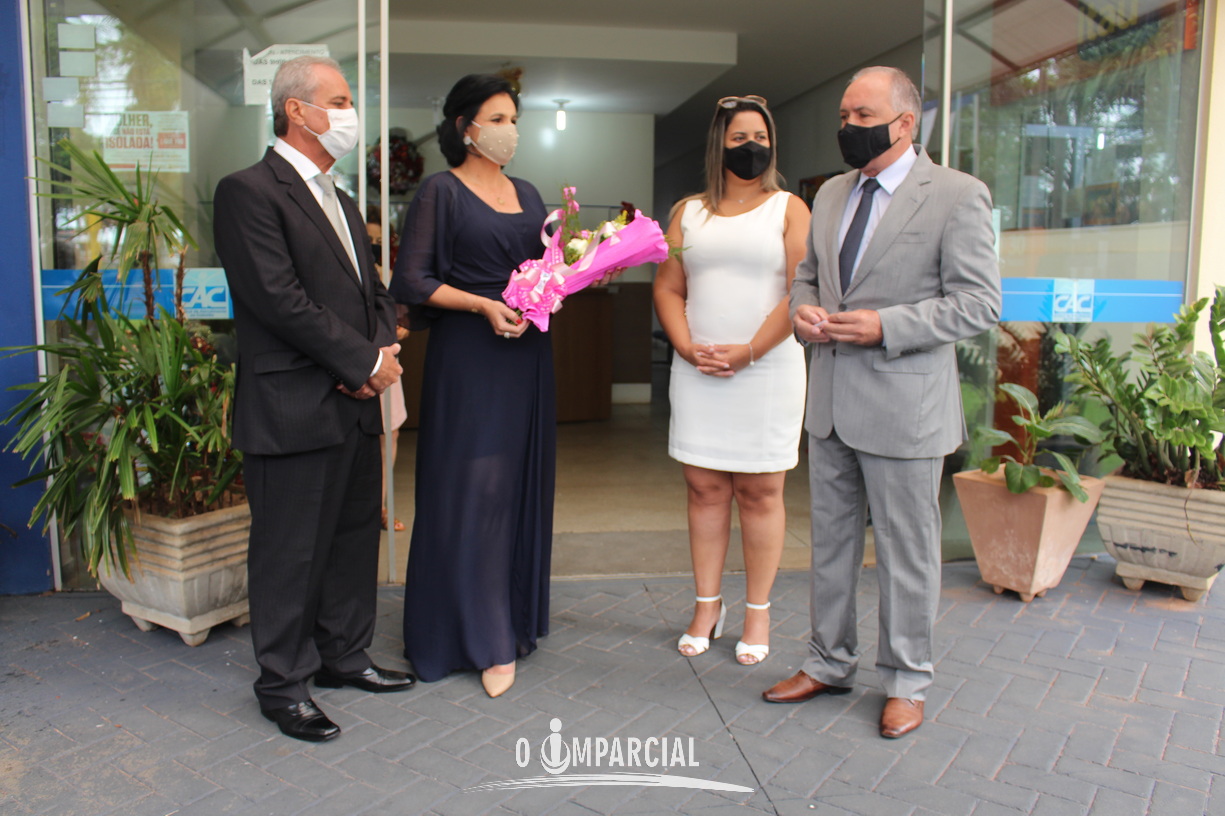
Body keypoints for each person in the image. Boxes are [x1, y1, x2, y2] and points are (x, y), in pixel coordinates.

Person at [762, 67, 1001, 738]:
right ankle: (827, 661)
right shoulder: (832, 194)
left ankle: (905, 681)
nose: (847, 127)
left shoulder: (957, 195)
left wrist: (885, 326)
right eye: (843, 116)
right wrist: (803, 311)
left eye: (861, 115)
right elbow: (807, 278)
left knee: (907, 553)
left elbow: (979, 304)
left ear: (904, 122)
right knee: (831, 545)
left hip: (905, 409)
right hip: (832, 403)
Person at [213, 55, 416, 743]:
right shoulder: (248, 191)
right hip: (292, 406)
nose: (349, 113)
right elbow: (277, 299)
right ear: (296, 111)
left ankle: (344, 656)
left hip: (355, 403)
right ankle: (282, 685)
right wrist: (359, 361)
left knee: (352, 538)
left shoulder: (341, 197)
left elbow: (372, 293)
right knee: (290, 552)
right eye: (339, 100)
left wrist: (378, 355)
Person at [390, 73, 552, 698]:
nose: (510, 131)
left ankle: (510, 616)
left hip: (527, 354)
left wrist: (570, 277)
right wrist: (483, 305)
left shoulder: (529, 192)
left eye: (514, 119)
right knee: (475, 489)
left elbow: (545, 268)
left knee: (514, 487)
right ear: (465, 127)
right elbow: (413, 280)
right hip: (470, 356)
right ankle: (481, 636)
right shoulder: (441, 190)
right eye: (498, 119)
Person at [653, 95, 810, 665]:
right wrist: (684, 346)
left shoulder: (789, 208)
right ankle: (707, 606)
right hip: (699, 368)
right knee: (705, 488)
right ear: (719, 143)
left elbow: (800, 290)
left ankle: (758, 612)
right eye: (740, 138)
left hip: (766, 369)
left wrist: (748, 352)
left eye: (760, 138)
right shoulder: (687, 212)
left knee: (761, 492)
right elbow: (668, 286)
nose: (751, 148)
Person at [365, 206, 409, 533]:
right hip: (352, 358)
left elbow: (403, 319)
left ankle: (379, 505)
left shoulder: (391, 273)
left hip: (386, 359)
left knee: (389, 433)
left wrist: (399, 327)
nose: (373, 246)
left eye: (379, 241)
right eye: (368, 239)